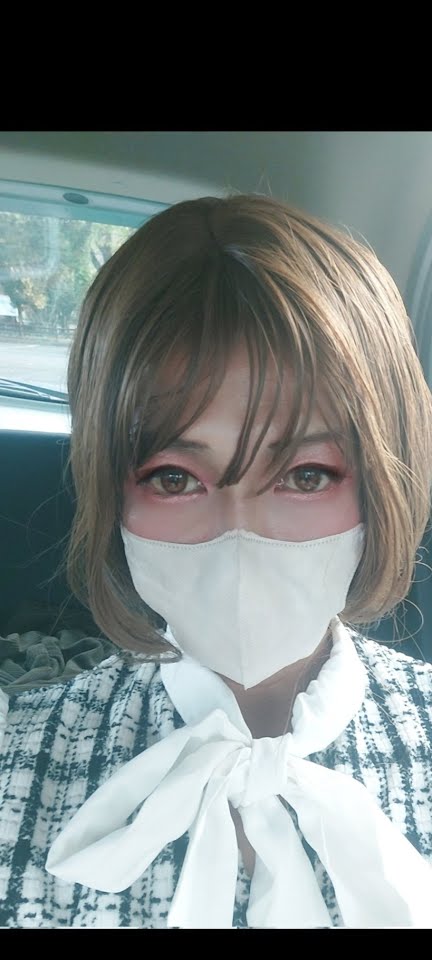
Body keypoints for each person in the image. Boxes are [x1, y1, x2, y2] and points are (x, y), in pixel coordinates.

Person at [1, 193, 432, 929]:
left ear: (380, 482)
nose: (240, 534)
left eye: (306, 475)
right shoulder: (18, 757)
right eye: (174, 478)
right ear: (113, 494)